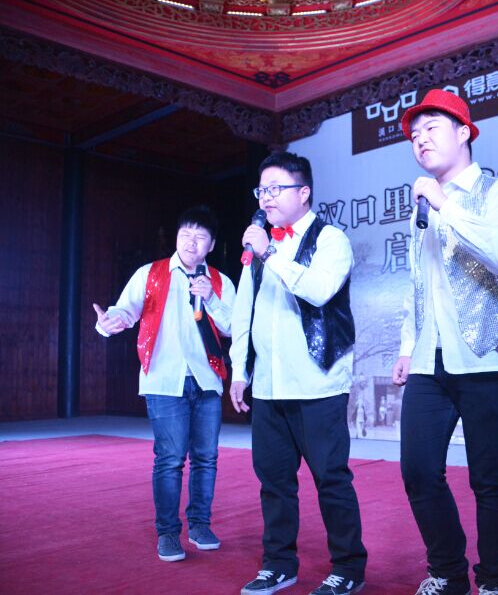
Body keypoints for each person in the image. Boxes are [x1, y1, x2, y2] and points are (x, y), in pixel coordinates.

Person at [391, 89, 498, 595]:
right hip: (430, 360)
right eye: (414, 134)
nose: (420, 140)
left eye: (431, 129)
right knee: (418, 471)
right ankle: (448, 572)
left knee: (488, 479)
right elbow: (418, 283)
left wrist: (444, 203)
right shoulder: (422, 206)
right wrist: (407, 346)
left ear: (465, 132)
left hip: (488, 357)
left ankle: (491, 581)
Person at [228, 152, 367, 595]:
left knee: (331, 479)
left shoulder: (331, 240)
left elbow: (319, 290)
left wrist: (271, 254)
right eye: (261, 190)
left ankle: (348, 567)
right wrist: (239, 370)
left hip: (317, 383)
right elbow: (244, 311)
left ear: (304, 192)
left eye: (275, 189)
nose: (266, 198)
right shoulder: (257, 249)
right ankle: (278, 564)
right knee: (274, 482)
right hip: (269, 385)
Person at [93, 205, 235, 563]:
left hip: (207, 379)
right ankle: (168, 533)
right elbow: (125, 310)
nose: (191, 241)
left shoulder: (220, 282)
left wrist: (211, 297)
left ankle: (200, 525)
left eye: (200, 236)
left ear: (211, 244)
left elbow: (233, 327)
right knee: (170, 459)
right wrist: (110, 322)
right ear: (176, 237)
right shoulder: (150, 274)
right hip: (163, 379)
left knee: (206, 458)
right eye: (186, 233)